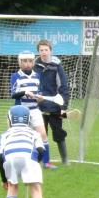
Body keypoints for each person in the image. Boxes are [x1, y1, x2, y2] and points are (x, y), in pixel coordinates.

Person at [0, 105, 50, 198]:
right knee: (36, 189)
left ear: (10, 120)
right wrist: (35, 163)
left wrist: (4, 180)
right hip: (29, 159)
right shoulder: (34, 133)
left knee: (12, 187)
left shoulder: (4, 135)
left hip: (10, 160)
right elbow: (42, 150)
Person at [10, 51, 54, 165]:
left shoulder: (37, 76)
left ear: (33, 62)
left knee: (43, 135)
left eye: (30, 61)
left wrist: (39, 97)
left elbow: (39, 91)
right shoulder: (16, 76)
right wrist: (24, 92)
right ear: (20, 62)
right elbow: (13, 94)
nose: (27, 64)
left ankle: (46, 162)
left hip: (35, 110)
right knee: (21, 137)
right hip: (21, 111)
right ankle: (19, 160)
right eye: (24, 61)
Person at [33, 39, 69, 167]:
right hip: (39, 107)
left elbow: (63, 87)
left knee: (59, 133)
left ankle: (65, 160)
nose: (44, 52)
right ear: (38, 52)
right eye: (41, 50)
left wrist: (63, 109)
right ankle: (40, 161)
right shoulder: (34, 66)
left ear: (51, 51)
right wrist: (35, 98)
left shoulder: (57, 66)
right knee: (39, 135)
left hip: (55, 107)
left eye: (46, 50)